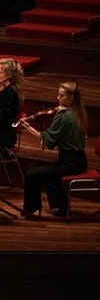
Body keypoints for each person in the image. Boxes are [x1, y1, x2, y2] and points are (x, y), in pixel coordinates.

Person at [20, 82, 87, 217]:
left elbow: (49, 140)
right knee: (50, 176)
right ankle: (62, 207)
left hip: (71, 163)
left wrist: (28, 127)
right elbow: (61, 138)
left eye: (61, 95)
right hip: (78, 160)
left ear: (71, 98)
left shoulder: (63, 116)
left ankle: (30, 210)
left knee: (32, 175)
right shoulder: (76, 113)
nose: (58, 98)